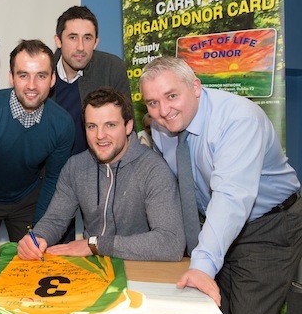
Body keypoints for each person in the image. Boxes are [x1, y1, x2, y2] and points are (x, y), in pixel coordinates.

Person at [139, 56, 302, 314]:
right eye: (152, 103)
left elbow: (231, 198)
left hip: (267, 226)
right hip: (213, 227)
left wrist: (201, 266)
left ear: (196, 87)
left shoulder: (238, 119)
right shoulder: (162, 126)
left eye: (172, 96)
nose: (163, 110)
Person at [17, 87, 184, 262]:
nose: (100, 135)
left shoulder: (153, 169)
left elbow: (171, 243)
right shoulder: (75, 167)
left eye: (110, 125)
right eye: (92, 126)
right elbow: (55, 219)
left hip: (139, 268)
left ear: (128, 126)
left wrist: (95, 245)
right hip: (93, 272)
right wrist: (37, 238)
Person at [0, 39, 74, 253]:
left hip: (27, 199)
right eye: (23, 75)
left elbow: (52, 180)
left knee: (33, 268)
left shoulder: (62, 124)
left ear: (52, 79)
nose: (32, 85)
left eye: (41, 76)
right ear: (11, 77)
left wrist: (38, 232)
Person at [51, 6, 131, 155]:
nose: (80, 47)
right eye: (73, 37)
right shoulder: (43, 72)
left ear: (96, 42)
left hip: (97, 169)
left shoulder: (112, 68)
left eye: (87, 38)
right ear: (58, 40)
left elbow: (128, 129)